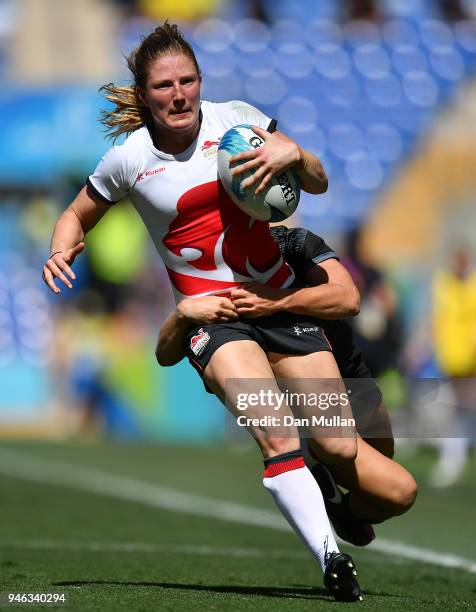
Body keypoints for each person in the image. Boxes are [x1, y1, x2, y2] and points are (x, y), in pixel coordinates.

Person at [42, 22, 362, 601]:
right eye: (165, 85)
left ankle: (324, 484)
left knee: (343, 447)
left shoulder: (238, 120)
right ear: (144, 95)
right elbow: (75, 214)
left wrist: (296, 152)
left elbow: (314, 182)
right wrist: (62, 244)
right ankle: (332, 561)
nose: (180, 93)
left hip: (274, 295)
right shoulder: (127, 159)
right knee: (274, 428)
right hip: (212, 316)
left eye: (188, 80)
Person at [156, 225, 418, 544]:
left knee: (382, 456)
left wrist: (277, 300)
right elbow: (169, 353)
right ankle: (308, 454)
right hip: (310, 388)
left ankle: (336, 504)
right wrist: (184, 315)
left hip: (350, 368)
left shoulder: (294, 242)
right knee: (399, 492)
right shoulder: (214, 268)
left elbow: (348, 300)